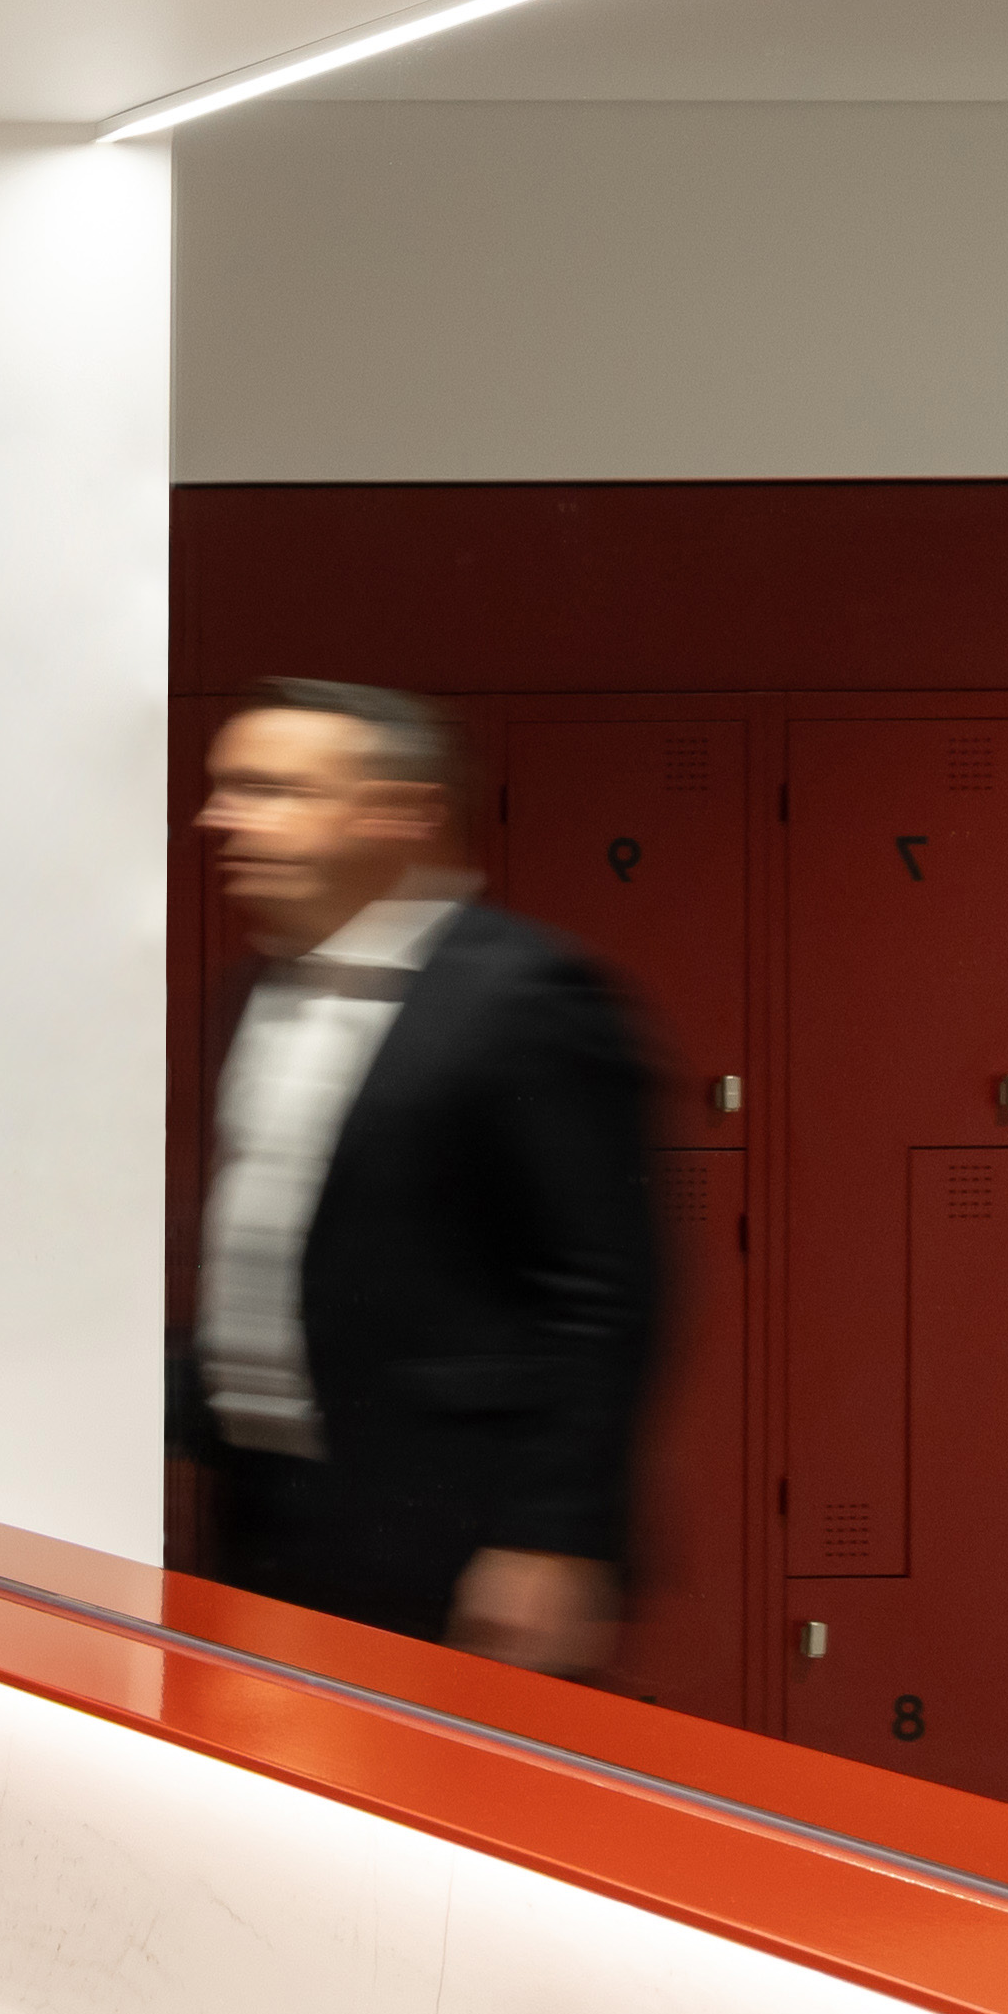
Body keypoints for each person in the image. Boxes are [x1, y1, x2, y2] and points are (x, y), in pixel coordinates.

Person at [184, 680, 661, 1675]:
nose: (220, 817)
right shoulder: (255, 991)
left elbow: (607, 1291)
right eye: (226, 788)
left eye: (273, 789)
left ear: (399, 812)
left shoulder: (524, 993)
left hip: (451, 1524)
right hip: (273, 1512)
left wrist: (553, 1536)